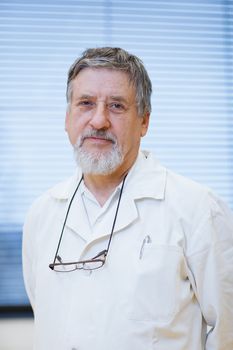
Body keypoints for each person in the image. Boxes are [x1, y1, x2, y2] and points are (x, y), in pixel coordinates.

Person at [23, 47, 233, 350]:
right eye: (85, 103)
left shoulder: (198, 208)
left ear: (144, 122)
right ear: (67, 118)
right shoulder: (41, 214)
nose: (99, 120)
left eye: (117, 106)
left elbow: (227, 329)